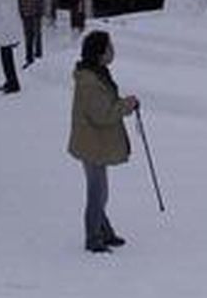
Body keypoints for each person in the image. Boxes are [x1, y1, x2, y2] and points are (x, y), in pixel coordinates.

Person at [67, 30, 139, 253]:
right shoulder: (90, 81)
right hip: (91, 144)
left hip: (94, 142)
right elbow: (103, 114)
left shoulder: (98, 73)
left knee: (100, 191)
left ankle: (104, 231)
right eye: (109, 48)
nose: (113, 51)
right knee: (97, 193)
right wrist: (127, 105)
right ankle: (93, 237)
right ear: (100, 53)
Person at [18, 0, 44, 68]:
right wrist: (22, 14)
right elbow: (20, 3)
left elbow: (41, 2)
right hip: (26, 17)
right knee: (28, 37)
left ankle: (38, 56)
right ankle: (29, 58)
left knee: (37, 36)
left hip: (36, 16)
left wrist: (40, 14)